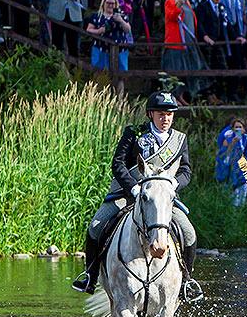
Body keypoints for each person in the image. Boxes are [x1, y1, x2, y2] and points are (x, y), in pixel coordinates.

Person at [73, 91, 203, 303]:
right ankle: (90, 275)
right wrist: (133, 188)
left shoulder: (180, 139)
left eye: (170, 114)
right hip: (129, 194)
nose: (166, 118)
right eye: (161, 114)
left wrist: (172, 184)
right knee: (96, 226)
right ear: (151, 114)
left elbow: (186, 171)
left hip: (161, 199)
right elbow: (118, 164)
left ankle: (187, 281)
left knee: (188, 233)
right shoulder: (134, 133)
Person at [162, 0, 209, 101]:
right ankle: (174, 97)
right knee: (175, 71)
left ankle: (187, 96)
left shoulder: (188, 3)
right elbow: (171, 17)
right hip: (175, 42)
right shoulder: (170, 1)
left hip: (189, 42)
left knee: (192, 68)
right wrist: (178, 5)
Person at [87, 0, 131, 70]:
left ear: (116, 4)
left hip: (120, 50)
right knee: (100, 74)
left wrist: (121, 21)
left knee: (121, 76)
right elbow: (88, 29)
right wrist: (98, 31)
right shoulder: (96, 16)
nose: (110, 5)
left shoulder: (122, 15)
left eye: (112, 3)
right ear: (103, 3)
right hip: (101, 48)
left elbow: (128, 30)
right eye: (108, 3)